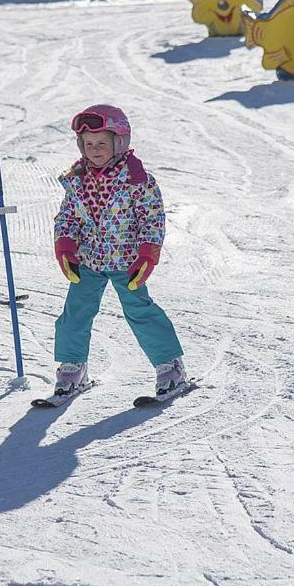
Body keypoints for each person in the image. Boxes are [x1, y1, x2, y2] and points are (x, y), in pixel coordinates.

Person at [51, 105, 185, 397]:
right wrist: (65, 246)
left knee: (140, 310)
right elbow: (68, 218)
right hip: (88, 260)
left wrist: (147, 254)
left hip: (127, 261)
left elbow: (152, 219)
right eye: (88, 144)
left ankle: (169, 364)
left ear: (119, 143)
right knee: (75, 313)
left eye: (101, 143)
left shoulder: (138, 181)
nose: (94, 149)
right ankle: (73, 367)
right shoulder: (77, 181)